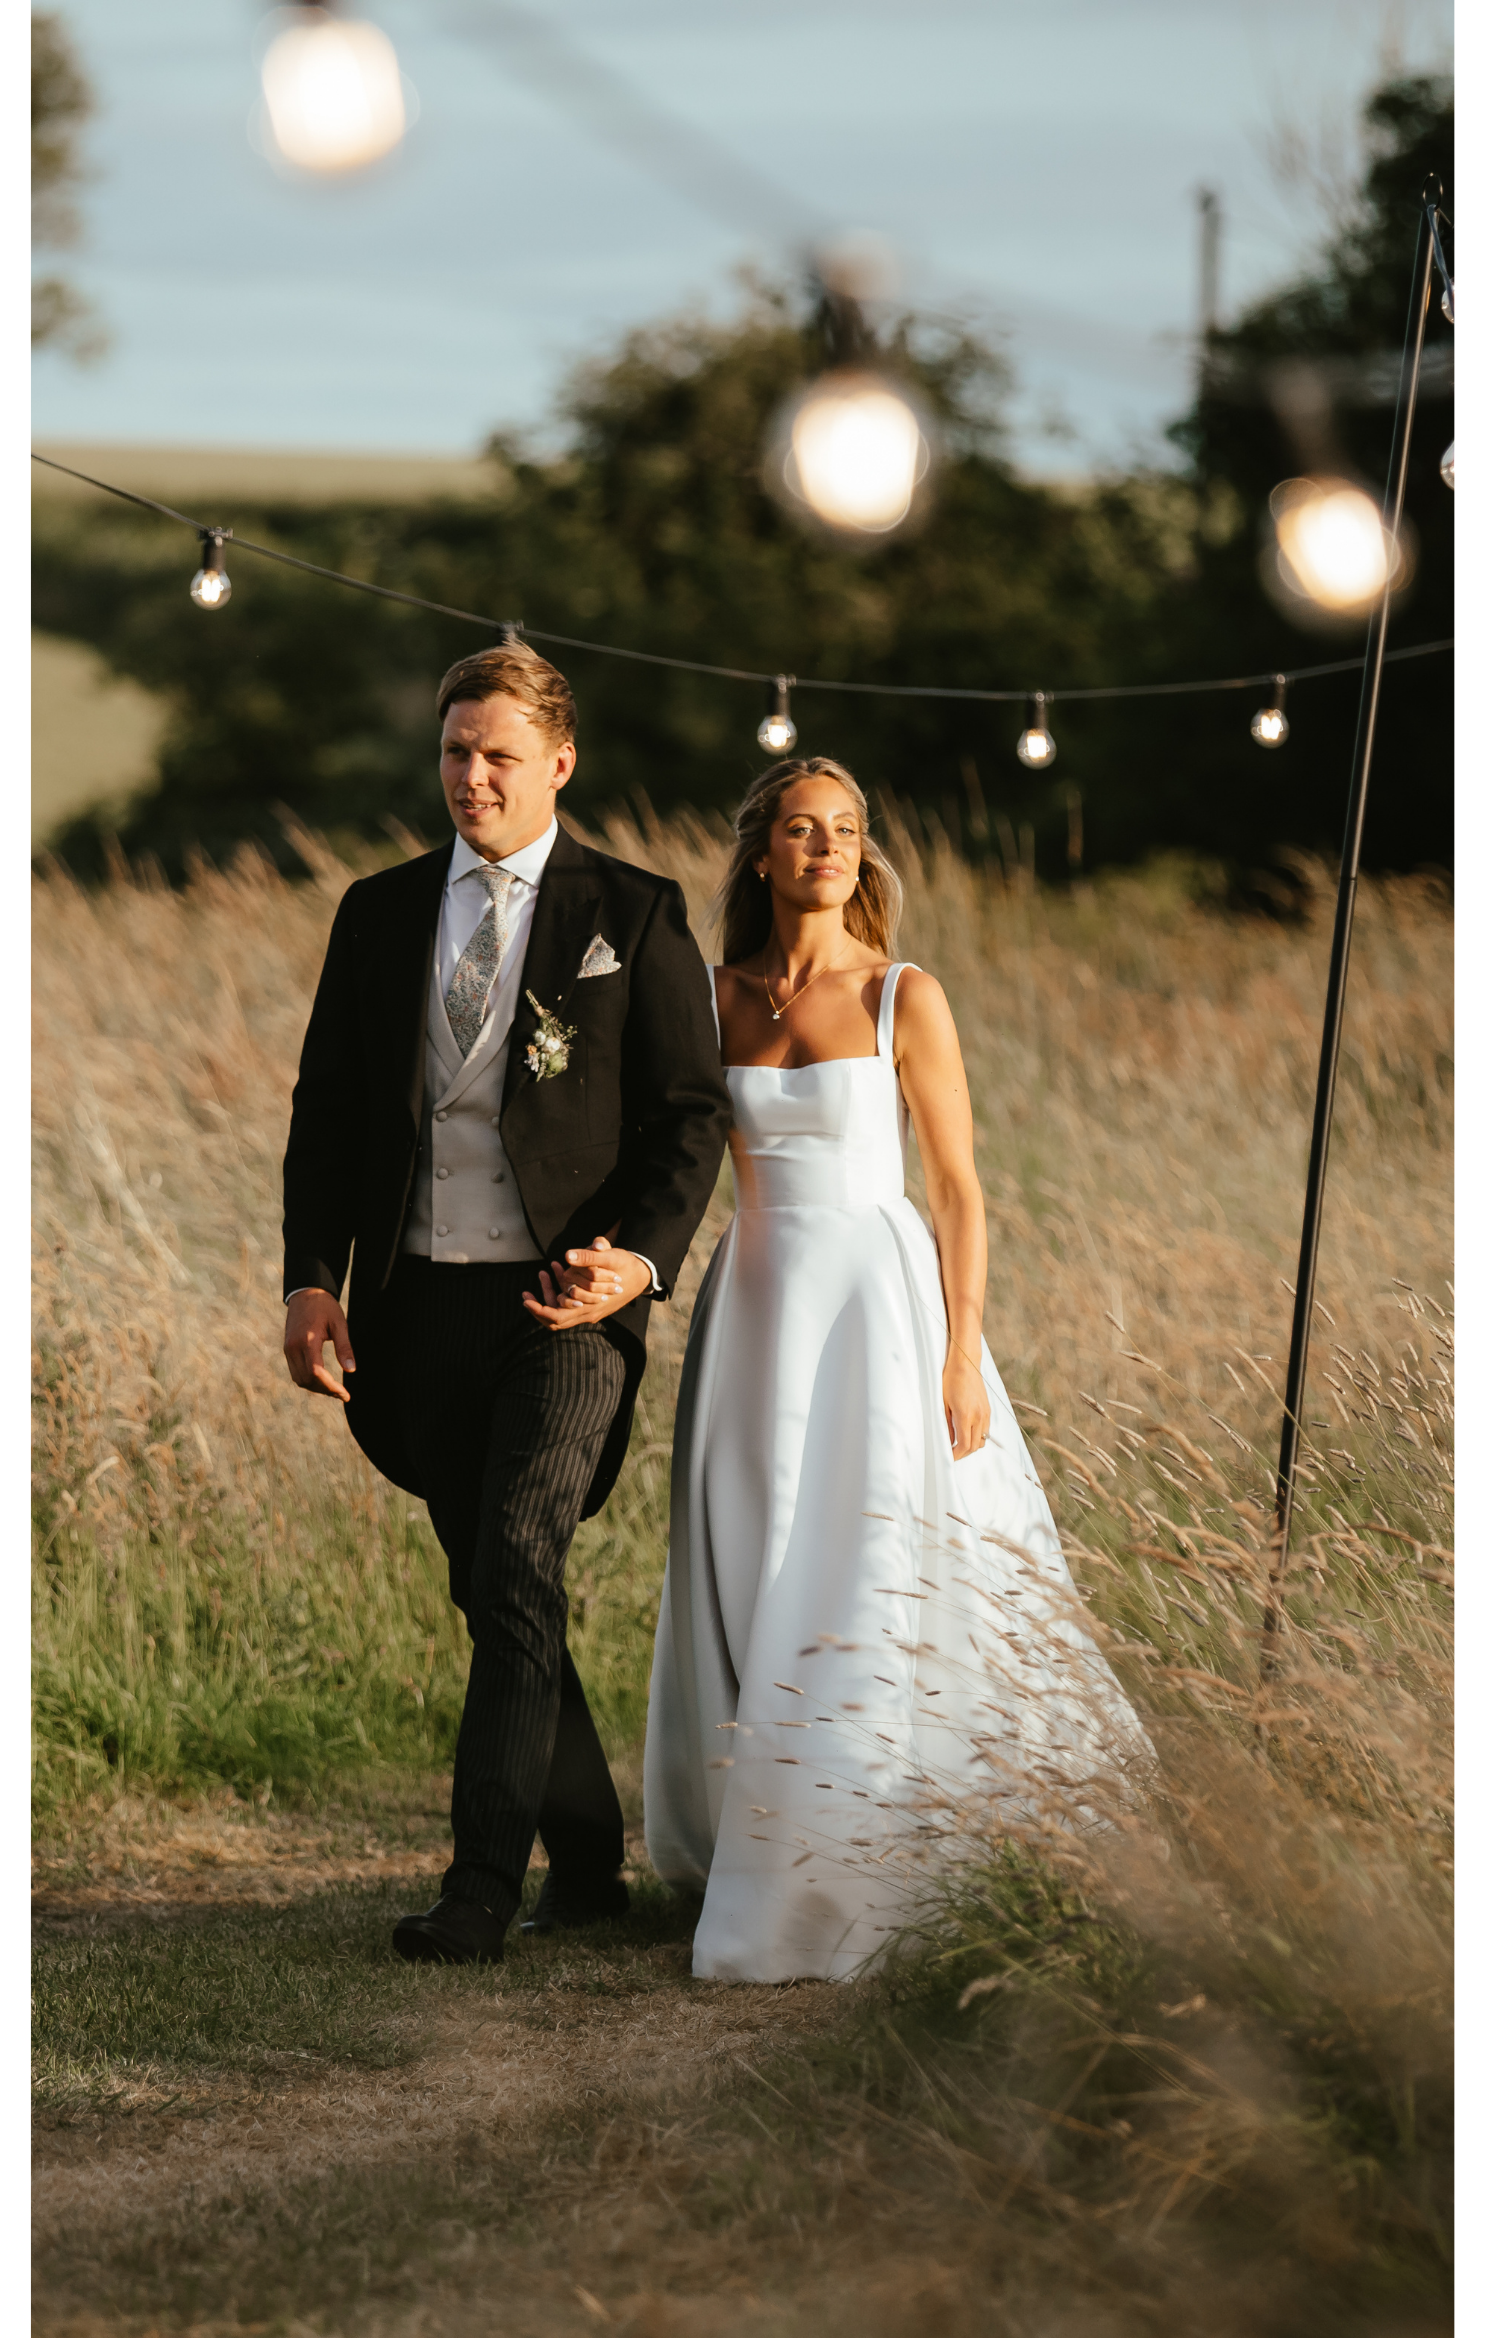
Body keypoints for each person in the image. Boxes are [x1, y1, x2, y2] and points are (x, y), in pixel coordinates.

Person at [644, 757, 1148, 1983]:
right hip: (755, 1303)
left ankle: (862, 1831)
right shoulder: (711, 998)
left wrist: (962, 1346)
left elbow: (960, 1188)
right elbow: (670, 1159)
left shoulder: (903, 995)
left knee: (866, 1550)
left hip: (880, 1300)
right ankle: (754, 1823)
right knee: (754, 1545)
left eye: (847, 830)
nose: (826, 846)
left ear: (864, 854)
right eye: (802, 828)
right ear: (761, 851)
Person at [282, 642, 731, 1967]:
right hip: (416, 1306)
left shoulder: (632, 913)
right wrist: (314, 1277)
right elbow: (326, 1114)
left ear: (559, 763)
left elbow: (689, 1116)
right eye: (454, 752)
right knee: (497, 1587)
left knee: (521, 1559)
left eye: (497, 757)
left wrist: (638, 1262)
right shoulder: (377, 910)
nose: (470, 778)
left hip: (564, 1309)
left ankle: (480, 1887)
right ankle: (589, 1860)